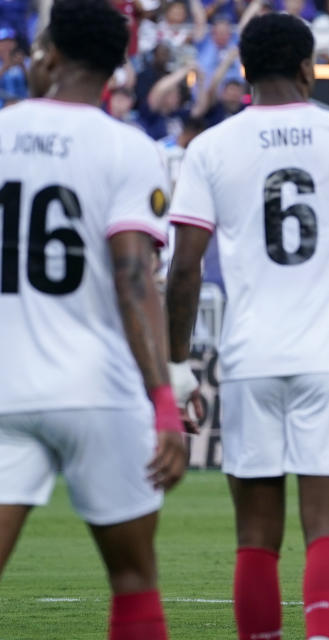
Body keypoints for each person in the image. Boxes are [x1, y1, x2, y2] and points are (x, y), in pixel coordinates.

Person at [164, 13, 329, 640]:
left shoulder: (212, 147)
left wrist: (175, 368)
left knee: (255, 539)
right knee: (326, 529)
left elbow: (184, 268)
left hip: (249, 361)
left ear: (243, 71)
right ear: (308, 68)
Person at [0, 2, 188, 638]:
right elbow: (137, 279)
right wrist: (163, 400)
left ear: (49, 55)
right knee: (134, 581)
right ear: (117, 67)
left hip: (4, 386)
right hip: (96, 390)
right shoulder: (129, 148)